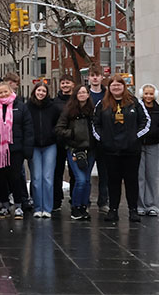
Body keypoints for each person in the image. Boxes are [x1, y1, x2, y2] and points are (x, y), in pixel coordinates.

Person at [93, 76, 150, 223]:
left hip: (131, 150)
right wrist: (103, 139)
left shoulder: (134, 102)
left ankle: (133, 210)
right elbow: (95, 124)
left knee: (131, 180)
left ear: (124, 87)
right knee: (113, 180)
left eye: (119, 85)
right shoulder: (102, 104)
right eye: (113, 85)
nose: (116, 88)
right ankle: (113, 210)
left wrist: (134, 138)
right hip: (110, 150)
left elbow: (145, 122)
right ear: (109, 88)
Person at [0, 80, 33, 219]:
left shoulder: (20, 106)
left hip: (16, 148)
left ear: (11, 91)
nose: (3, 94)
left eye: (5, 92)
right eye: (0, 92)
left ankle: (19, 204)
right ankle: (4, 205)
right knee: (1, 178)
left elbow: (27, 128)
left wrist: (27, 149)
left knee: (15, 177)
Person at [55, 85, 95, 221]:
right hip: (75, 149)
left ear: (88, 95)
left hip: (90, 150)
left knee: (87, 180)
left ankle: (84, 206)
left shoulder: (93, 110)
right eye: (80, 92)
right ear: (76, 94)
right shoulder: (69, 110)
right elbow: (59, 129)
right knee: (81, 179)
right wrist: (73, 134)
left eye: (85, 92)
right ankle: (76, 206)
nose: (82, 94)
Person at [27, 81, 61, 218]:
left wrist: (53, 135)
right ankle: (37, 207)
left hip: (49, 146)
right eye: (38, 90)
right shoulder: (27, 107)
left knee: (47, 178)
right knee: (36, 178)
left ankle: (47, 207)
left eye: (44, 91)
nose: (41, 93)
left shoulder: (53, 108)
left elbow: (58, 125)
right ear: (34, 91)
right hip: (34, 146)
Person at [137, 83, 159, 216]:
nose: (148, 96)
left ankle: (152, 205)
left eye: (151, 93)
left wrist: (156, 132)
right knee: (139, 176)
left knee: (152, 176)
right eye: (146, 93)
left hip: (153, 144)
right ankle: (140, 205)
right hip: (138, 145)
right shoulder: (137, 108)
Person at [86, 66, 110, 213]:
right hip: (88, 140)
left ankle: (103, 202)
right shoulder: (84, 94)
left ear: (102, 77)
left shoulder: (108, 95)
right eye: (92, 75)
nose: (95, 78)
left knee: (104, 173)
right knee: (86, 172)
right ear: (88, 77)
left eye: (98, 75)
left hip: (104, 140)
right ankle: (86, 202)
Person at [52, 73, 76, 213]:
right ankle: (56, 200)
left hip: (74, 142)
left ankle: (75, 198)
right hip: (58, 142)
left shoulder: (77, 100)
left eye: (68, 82)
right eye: (63, 83)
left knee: (74, 172)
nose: (65, 85)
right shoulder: (55, 102)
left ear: (73, 84)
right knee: (57, 172)